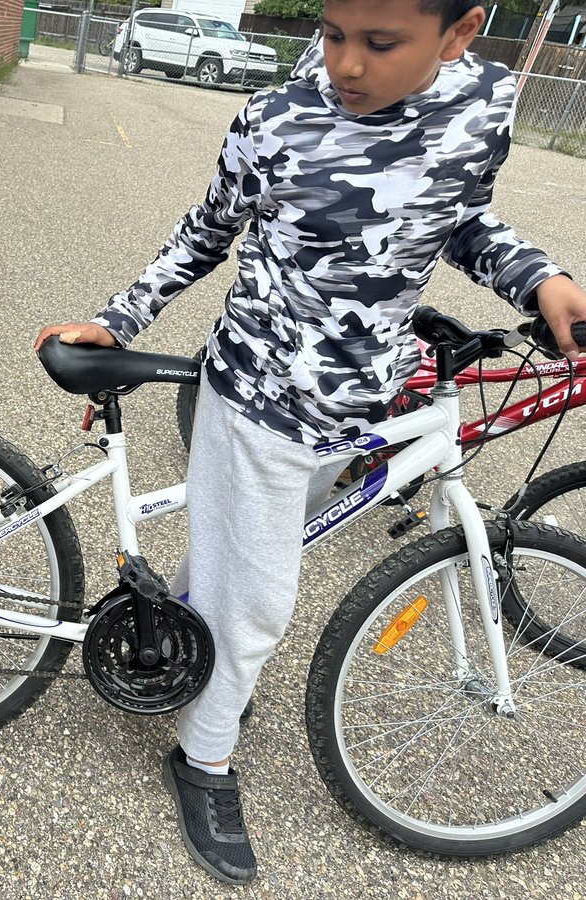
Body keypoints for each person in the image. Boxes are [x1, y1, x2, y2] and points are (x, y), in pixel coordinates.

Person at [36, 0, 586, 885]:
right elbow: (207, 229)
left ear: (460, 33)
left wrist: (539, 277)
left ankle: (177, 645)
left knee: (239, 567)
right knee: (259, 603)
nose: (346, 65)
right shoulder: (277, 118)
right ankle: (202, 759)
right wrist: (118, 316)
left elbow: (464, 218)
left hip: (363, 400)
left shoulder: (483, 104)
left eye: (379, 43)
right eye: (332, 35)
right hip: (259, 398)